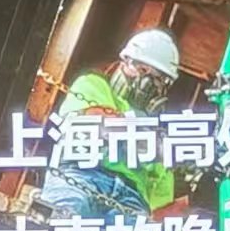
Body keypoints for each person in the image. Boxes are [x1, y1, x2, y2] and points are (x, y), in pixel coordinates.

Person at [39, 28, 180, 219]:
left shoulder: (157, 133)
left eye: (158, 79)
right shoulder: (94, 85)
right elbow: (100, 125)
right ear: (124, 62)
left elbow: (161, 203)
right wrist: (156, 144)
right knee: (62, 222)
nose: (146, 82)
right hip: (80, 175)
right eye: (142, 70)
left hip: (132, 198)